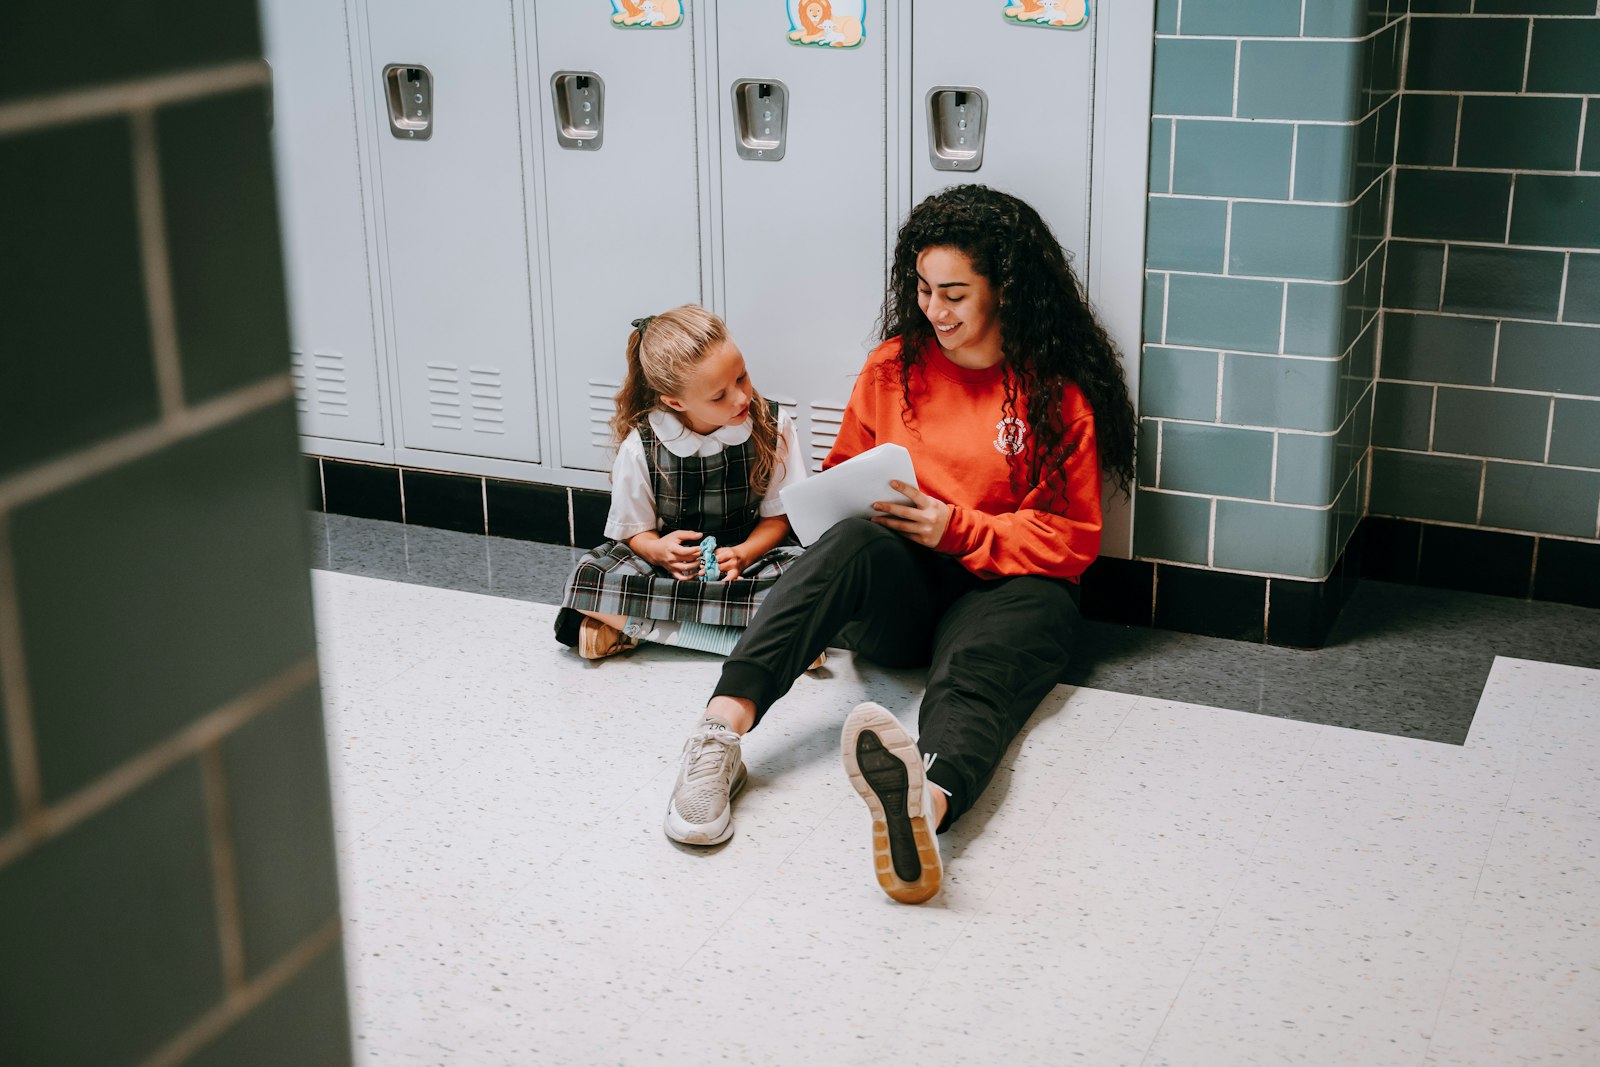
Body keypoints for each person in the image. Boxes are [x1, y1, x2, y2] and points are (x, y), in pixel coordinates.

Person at [660, 186, 1137, 906]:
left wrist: (959, 527)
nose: (934, 311)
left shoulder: (1053, 393)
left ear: (1004, 290)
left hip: (1011, 588)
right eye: (922, 289)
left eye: (954, 293)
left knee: (982, 665)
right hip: (906, 589)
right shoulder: (894, 367)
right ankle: (717, 736)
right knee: (852, 540)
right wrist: (822, 574)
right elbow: (846, 479)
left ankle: (925, 803)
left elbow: (1071, 538)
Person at [553, 304, 812, 662]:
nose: (740, 397)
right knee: (588, 578)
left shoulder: (773, 426)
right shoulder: (642, 445)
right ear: (675, 401)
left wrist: (743, 553)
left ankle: (632, 628)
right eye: (718, 395)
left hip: (751, 557)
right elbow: (635, 532)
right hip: (673, 570)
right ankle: (749, 640)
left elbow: (778, 520)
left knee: (811, 575)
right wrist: (658, 551)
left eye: (742, 377)